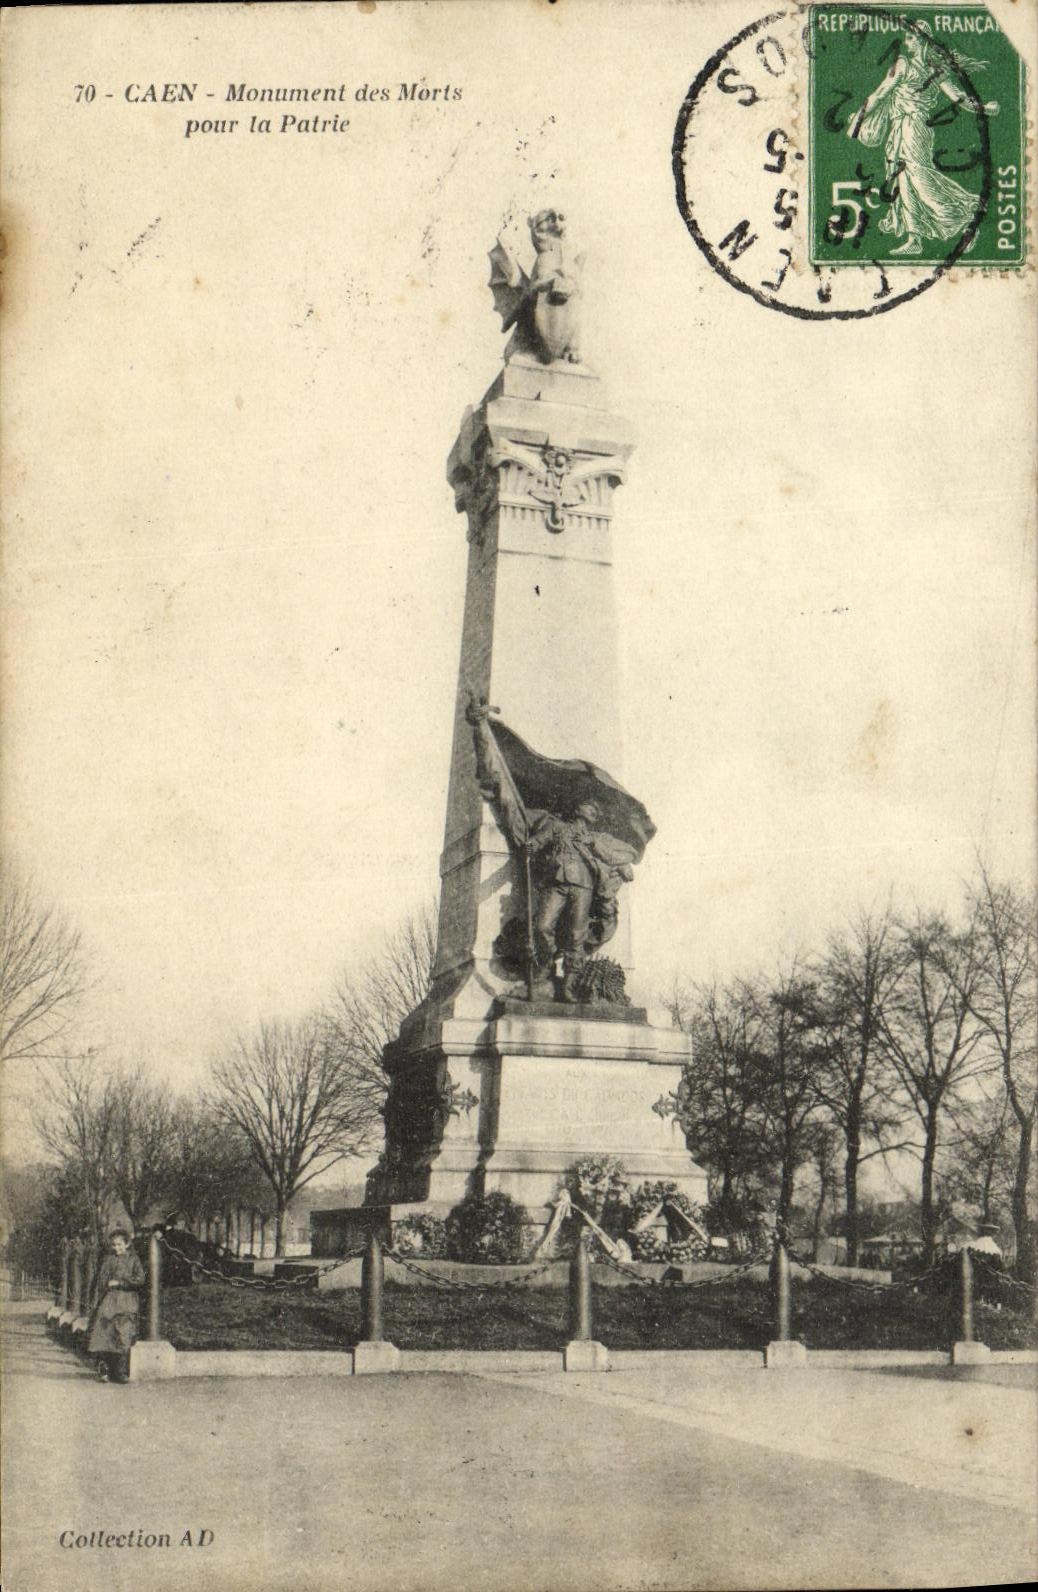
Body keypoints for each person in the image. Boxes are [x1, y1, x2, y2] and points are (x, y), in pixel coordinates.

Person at [849, 24, 999, 256]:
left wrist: (983, 108)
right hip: (901, 128)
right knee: (904, 181)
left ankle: (965, 215)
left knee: (919, 178)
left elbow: (881, 94)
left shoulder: (915, 66)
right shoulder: (920, 67)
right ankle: (914, 238)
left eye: (911, 38)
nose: (907, 42)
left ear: (922, 40)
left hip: (914, 128)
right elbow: (882, 93)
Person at [527, 800, 635, 1001]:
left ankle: (570, 983)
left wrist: (593, 845)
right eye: (590, 808)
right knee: (542, 926)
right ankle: (545, 966)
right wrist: (531, 846)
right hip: (556, 882)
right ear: (577, 810)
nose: (595, 811)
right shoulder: (557, 827)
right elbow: (539, 840)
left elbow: (612, 857)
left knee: (576, 935)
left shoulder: (594, 838)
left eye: (597, 810)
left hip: (584, 886)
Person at [87, 1228, 145, 1384]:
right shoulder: (108, 1259)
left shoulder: (133, 1259)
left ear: (127, 1244)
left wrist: (121, 1282)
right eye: (114, 1245)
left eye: (120, 1245)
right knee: (103, 1333)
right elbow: (100, 1280)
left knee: (123, 1334)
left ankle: (120, 1372)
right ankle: (103, 1370)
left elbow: (140, 1279)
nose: (116, 1248)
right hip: (109, 1301)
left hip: (127, 1301)